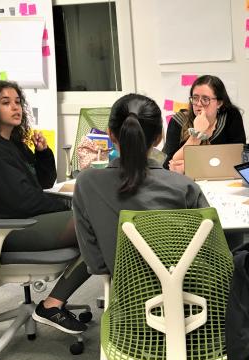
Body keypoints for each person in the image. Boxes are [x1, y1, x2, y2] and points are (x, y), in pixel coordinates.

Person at [0, 80, 90, 335]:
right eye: (6, 103)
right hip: (11, 228)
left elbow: (42, 183)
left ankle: (54, 303)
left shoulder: (12, 144)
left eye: (17, 102)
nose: (15, 108)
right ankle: (52, 305)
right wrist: (68, 203)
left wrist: (42, 153)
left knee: (96, 221)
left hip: (27, 218)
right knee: (95, 224)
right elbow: (23, 202)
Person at [72, 93, 209, 276]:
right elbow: (211, 254)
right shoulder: (184, 187)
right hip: (190, 295)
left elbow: (95, 263)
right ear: (159, 138)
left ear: (111, 134)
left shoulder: (86, 183)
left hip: (126, 298)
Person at [162, 75, 246, 174]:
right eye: (195, 98)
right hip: (187, 182)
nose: (199, 104)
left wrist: (192, 166)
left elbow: (238, 158)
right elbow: (168, 165)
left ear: (219, 103)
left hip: (223, 181)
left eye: (205, 99)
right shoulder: (179, 120)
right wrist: (197, 134)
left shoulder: (231, 116)